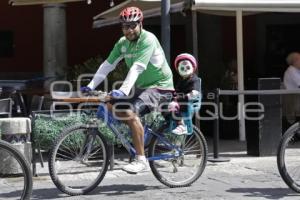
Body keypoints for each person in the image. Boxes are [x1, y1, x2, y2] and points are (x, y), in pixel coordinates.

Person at [81, 7, 174, 173]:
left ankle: (140, 159)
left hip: (160, 87)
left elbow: (137, 68)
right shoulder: (122, 43)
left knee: (131, 112)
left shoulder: (148, 39)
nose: (129, 30)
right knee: (109, 103)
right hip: (142, 88)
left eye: (133, 25)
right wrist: (90, 86)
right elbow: (107, 65)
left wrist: (123, 91)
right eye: (125, 26)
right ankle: (138, 132)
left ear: (140, 24)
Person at [167, 53, 201, 135]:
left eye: (188, 67)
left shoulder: (195, 80)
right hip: (181, 101)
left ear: (193, 68)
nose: (185, 69)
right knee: (168, 105)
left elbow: (195, 93)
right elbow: (176, 91)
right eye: (182, 68)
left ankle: (182, 125)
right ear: (178, 69)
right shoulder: (180, 81)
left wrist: (182, 98)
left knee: (181, 104)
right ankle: (171, 124)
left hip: (190, 102)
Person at [283, 52, 300, 125]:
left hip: (296, 97)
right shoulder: (291, 70)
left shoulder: (297, 70)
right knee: (293, 121)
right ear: (295, 61)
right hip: (292, 97)